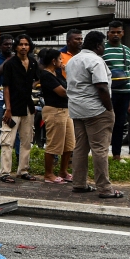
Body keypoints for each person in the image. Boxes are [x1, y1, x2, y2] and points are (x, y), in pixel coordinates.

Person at [66, 30, 122, 198]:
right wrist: (109, 109)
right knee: (100, 149)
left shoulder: (72, 60)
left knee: (80, 148)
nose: (104, 47)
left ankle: (79, 183)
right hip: (96, 110)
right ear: (98, 46)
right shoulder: (96, 61)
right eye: (103, 44)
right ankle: (105, 188)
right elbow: (102, 87)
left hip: (77, 109)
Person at [0, 34, 40, 183]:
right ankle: (5, 172)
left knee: (27, 140)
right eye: (21, 44)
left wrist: (32, 86)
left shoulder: (33, 63)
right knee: (7, 140)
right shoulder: (10, 64)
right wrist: (8, 108)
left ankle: (23, 170)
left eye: (26, 44)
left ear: (30, 46)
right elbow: (6, 87)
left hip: (28, 106)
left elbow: (39, 78)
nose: (23, 47)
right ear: (16, 47)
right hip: (12, 107)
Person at [38, 48, 73, 184]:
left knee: (69, 143)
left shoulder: (57, 72)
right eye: (59, 59)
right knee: (54, 144)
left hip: (65, 110)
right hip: (54, 110)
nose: (61, 61)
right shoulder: (46, 75)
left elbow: (68, 84)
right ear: (53, 61)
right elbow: (62, 92)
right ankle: (48, 174)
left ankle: (63, 171)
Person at [100, 20, 130, 161]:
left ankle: (117, 155)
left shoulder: (127, 50)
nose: (116, 35)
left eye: (118, 32)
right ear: (108, 33)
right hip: (108, 92)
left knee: (120, 124)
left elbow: (127, 72)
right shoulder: (102, 49)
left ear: (123, 33)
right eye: (113, 32)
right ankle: (102, 154)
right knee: (105, 123)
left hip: (125, 92)